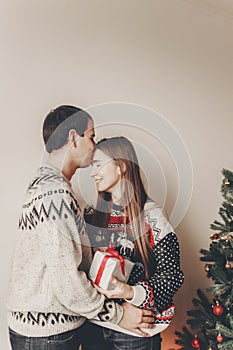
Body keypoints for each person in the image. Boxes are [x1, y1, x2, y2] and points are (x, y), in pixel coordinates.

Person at [6, 106, 156, 350]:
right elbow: (68, 282)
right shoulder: (55, 195)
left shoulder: (46, 186)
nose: (94, 144)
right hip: (48, 335)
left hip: (42, 331)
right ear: (73, 137)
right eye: (91, 136)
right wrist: (119, 315)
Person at [83, 136, 184, 350]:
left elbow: (172, 275)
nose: (92, 173)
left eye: (98, 165)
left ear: (121, 167)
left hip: (134, 333)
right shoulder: (91, 214)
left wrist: (129, 292)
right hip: (95, 326)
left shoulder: (152, 217)